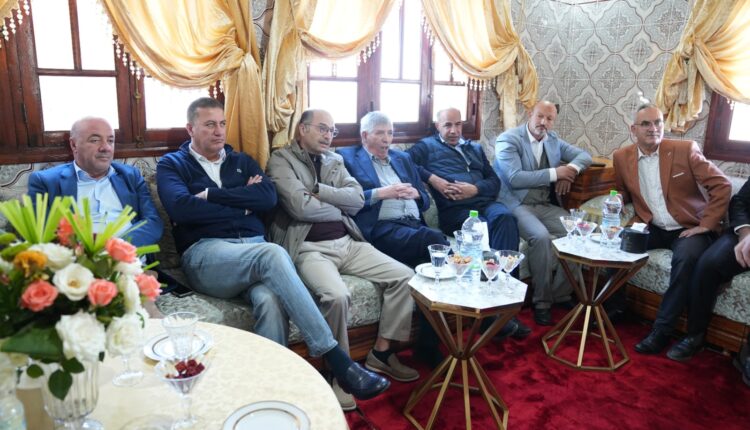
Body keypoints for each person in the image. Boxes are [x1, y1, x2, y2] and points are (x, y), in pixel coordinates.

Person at [156, 98, 389, 404]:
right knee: (273, 253)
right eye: (209, 125)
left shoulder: (242, 161)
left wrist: (211, 195)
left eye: (222, 124)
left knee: (270, 298)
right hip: (207, 254)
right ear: (191, 128)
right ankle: (337, 359)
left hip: (253, 250)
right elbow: (182, 209)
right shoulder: (172, 165)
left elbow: (266, 199)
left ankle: (271, 392)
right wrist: (243, 202)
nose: (219, 131)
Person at [266, 109, 418, 410]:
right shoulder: (281, 160)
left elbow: (358, 200)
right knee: (336, 296)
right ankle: (342, 372)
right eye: (322, 129)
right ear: (302, 129)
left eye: (332, 131)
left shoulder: (334, 160)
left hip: (348, 242)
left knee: (405, 276)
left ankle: (382, 353)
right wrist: (338, 204)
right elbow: (299, 208)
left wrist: (319, 192)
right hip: (310, 248)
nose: (328, 136)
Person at [612, 103, 731, 356]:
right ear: (633, 130)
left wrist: (706, 225)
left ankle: (662, 331)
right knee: (615, 245)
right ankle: (615, 307)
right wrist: (618, 199)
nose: (653, 128)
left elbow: (722, 185)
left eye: (658, 122)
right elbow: (622, 190)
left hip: (687, 228)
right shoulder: (621, 157)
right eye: (646, 124)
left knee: (685, 260)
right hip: (652, 224)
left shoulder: (684, 150)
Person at [495, 100, 592, 326]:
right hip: (517, 204)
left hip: (545, 205)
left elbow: (585, 156)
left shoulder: (553, 140)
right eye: (540, 116)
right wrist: (556, 173)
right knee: (541, 237)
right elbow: (515, 178)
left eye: (549, 119)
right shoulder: (508, 139)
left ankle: (561, 294)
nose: (543, 122)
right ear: (530, 114)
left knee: (578, 232)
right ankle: (542, 303)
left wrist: (570, 171)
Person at [27, 117, 163, 248]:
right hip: (80, 260)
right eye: (95, 140)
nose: (106, 147)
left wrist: (118, 247)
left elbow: (152, 221)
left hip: (131, 258)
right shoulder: (46, 182)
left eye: (110, 140)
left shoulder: (130, 176)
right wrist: (91, 253)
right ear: (74, 145)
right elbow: (41, 234)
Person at [406, 107, 520, 253]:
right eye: (448, 125)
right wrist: (432, 179)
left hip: (485, 203)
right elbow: (404, 161)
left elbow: (494, 182)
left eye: (458, 124)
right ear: (438, 126)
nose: (454, 130)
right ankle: (489, 266)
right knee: (480, 227)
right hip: (456, 210)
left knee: (506, 218)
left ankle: (504, 268)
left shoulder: (475, 148)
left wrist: (476, 189)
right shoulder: (426, 146)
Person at [675, 177, 750, 375]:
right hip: (745, 233)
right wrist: (745, 232)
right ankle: (695, 335)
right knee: (708, 264)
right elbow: (739, 201)